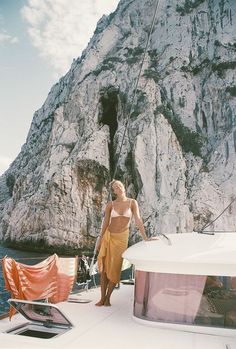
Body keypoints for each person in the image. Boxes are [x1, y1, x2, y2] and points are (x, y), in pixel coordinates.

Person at [95, 179, 150, 306]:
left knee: (115, 269)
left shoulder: (132, 203)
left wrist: (145, 237)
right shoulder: (110, 205)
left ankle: (108, 297)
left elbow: (138, 220)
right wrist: (99, 239)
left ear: (123, 187)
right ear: (114, 191)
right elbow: (105, 224)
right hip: (108, 237)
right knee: (103, 269)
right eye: (115, 187)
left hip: (121, 239)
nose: (118, 187)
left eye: (120, 185)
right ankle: (102, 298)